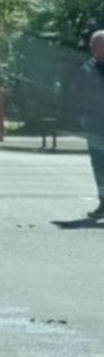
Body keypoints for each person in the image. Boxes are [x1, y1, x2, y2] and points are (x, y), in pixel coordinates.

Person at [80, 31, 104, 219]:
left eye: (97, 45)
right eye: (92, 46)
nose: (93, 49)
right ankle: (103, 203)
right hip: (95, 126)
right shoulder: (88, 68)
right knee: (99, 167)